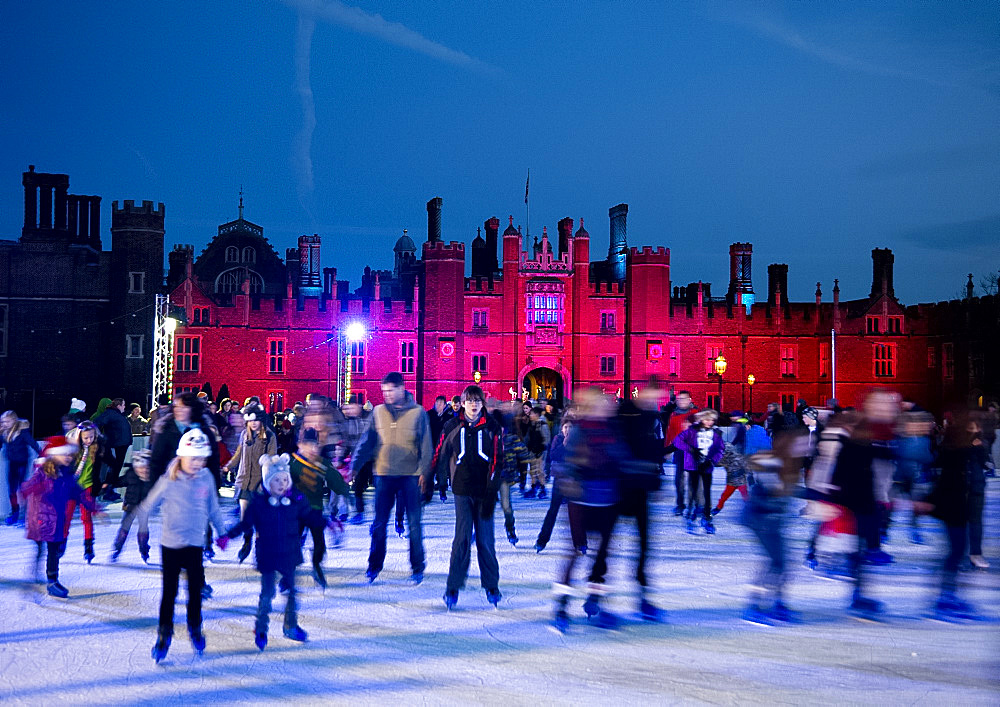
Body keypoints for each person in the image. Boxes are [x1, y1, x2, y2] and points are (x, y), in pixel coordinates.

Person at [140, 428, 229, 663]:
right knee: (169, 593)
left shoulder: (206, 478)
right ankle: (164, 633)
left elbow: (213, 507)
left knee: (195, 593)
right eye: (194, 458)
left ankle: (195, 628)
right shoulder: (169, 478)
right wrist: (141, 528)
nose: (198, 463)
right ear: (182, 456)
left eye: (202, 458)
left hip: (195, 544)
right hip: (170, 545)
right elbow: (148, 504)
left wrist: (221, 532)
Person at [223, 453, 324, 649]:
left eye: (285, 479)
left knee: (293, 593)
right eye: (276, 480)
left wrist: (328, 522)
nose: (282, 483)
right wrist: (228, 535)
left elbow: (311, 517)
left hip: (290, 555)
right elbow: (246, 524)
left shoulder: (296, 500)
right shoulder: (259, 504)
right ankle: (261, 627)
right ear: (268, 482)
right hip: (268, 556)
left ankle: (290, 626)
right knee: (267, 594)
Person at [551, 388, 629, 633]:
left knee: (602, 558)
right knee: (576, 553)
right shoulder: (579, 431)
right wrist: (571, 482)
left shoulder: (611, 430)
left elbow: (621, 458)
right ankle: (561, 606)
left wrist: (636, 471)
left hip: (607, 501)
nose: (603, 408)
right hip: (582, 502)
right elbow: (569, 462)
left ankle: (594, 600)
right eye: (599, 404)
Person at [351, 372, 433, 584]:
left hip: (410, 476)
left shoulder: (418, 412)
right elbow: (367, 442)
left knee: (414, 524)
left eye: (390, 391)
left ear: (401, 388)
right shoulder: (378, 412)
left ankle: (417, 567)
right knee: (379, 524)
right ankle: (374, 565)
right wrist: (354, 466)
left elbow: (426, 445)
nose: (386, 395)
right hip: (384, 474)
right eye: (384, 391)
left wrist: (425, 473)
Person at [432, 385, 504, 609]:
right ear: (462, 403)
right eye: (469, 401)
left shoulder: (492, 427)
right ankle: (452, 587)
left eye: (477, 401)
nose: (473, 405)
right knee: (461, 540)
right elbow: (440, 454)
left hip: (484, 492)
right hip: (462, 491)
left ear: (482, 404)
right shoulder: (452, 425)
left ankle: (491, 585)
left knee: (485, 540)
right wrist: (434, 481)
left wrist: (492, 490)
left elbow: (498, 459)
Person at [740, 427, 809, 625]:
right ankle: (755, 605)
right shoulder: (773, 461)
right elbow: (769, 487)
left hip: (772, 520)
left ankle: (776, 603)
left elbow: (791, 490)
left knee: (779, 562)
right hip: (760, 520)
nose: (805, 447)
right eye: (801, 443)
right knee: (777, 562)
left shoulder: (791, 464)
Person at [21, 436, 103, 598]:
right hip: (40, 519)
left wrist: (95, 509)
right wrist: (37, 487)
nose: (68, 457)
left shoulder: (66, 475)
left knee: (54, 551)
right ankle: (40, 574)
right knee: (42, 549)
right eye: (64, 454)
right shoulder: (42, 473)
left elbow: (80, 494)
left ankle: (52, 581)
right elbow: (26, 488)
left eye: (69, 455)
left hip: (57, 520)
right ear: (53, 455)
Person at [922, 413, 982, 618]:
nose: (977, 432)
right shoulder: (958, 453)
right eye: (973, 429)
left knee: (956, 552)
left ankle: (947, 595)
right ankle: (945, 597)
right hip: (953, 508)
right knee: (956, 552)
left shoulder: (958, 452)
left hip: (955, 507)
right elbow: (947, 481)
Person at [616, 384, 667, 621]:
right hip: (619, 490)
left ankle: (642, 595)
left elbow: (654, 453)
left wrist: (655, 482)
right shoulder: (625, 415)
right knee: (607, 546)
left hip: (639, 492)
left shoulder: (650, 420)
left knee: (644, 546)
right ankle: (598, 595)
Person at [290, 427, 351, 588]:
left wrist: (346, 492)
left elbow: (335, 479)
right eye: (307, 445)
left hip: (315, 509)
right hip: (295, 510)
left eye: (314, 445)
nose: (312, 448)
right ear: (300, 445)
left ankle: (316, 566)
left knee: (319, 543)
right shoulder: (293, 463)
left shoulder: (322, 463)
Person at [224, 405, 278, 563]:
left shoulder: (269, 436)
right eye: (250, 420)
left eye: (257, 420)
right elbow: (239, 454)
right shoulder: (244, 435)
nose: (254, 423)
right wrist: (229, 465)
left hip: (260, 483)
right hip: (243, 480)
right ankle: (246, 541)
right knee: (244, 517)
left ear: (261, 420)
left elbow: (272, 458)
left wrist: (267, 480)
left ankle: (259, 547)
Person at [535, 418, 588, 554]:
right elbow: (552, 455)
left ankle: (581, 542)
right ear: (562, 428)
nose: (568, 430)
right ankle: (542, 540)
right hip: (560, 480)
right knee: (553, 511)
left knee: (576, 512)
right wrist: (564, 444)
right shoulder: (558, 439)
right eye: (565, 427)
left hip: (574, 480)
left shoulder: (579, 441)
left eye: (570, 427)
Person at [673, 409, 724, 534]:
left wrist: (712, 461)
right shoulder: (692, 431)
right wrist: (691, 449)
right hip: (693, 466)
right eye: (707, 419)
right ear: (701, 419)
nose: (709, 422)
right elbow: (677, 441)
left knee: (707, 492)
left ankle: (706, 517)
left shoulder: (716, 433)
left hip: (707, 466)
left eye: (712, 420)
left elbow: (720, 449)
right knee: (693, 491)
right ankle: (690, 515)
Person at [65, 421, 105, 563]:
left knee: (86, 518)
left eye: (91, 437)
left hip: (87, 487)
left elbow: (109, 462)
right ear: (79, 437)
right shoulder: (73, 450)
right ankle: (61, 543)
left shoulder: (98, 449)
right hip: (71, 488)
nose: (89, 440)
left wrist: (108, 480)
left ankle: (88, 547)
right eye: (86, 438)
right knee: (66, 517)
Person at [111, 449, 154, 563]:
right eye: (140, 468)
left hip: (144, 507)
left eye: (145, 467)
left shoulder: (152, 478)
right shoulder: (131, 475)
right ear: (135, 468)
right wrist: (109, 483)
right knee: (124, 528)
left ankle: (144, 549)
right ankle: (117, 548)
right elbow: (118, 481)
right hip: (130, 505)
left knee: (143, 529)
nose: (143, 470)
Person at [1, 411, 40, 525]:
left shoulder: (22, 432)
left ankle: (26, 513)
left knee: (21, 487)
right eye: (3, 421)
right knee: (11, 489)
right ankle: (14, 512)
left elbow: (33, 444)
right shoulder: (4, 432)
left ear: (14, 420)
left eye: (7, 421)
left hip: (22, 462)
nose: (5, 423)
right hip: (12, 462)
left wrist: (42, 454)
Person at [663, 390, 698, 515]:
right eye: (679, 399)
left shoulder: (696, 413)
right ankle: (680, 504)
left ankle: (694, 504)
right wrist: (667, 448)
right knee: (679, 479)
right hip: (679, 450)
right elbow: (670, 432)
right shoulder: (674, 415)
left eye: (684, 399)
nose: (681, 401)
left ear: (690, 400)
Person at [95, 397, 132, 501]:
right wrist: (100, 436)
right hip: (116, 445)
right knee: (114, 468)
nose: (125, 407)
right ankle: (107, 490)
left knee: (116, 468)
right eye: (123, 405)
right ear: (119, 405)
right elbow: (97, 422)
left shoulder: (117, 414)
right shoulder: (110, 413)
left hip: (120, 444)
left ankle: (109, 489)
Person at [427, 395, 453, 501]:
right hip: (431, 446)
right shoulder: (429, 415)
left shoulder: (448, 417)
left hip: (443, 447)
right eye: (437, 403)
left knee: (442, 470)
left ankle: (442, 490)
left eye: (440, 403)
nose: (438, 405)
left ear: (444, 405)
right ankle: (428, 491)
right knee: (429, 469)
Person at [522, 406, 551, 499]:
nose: (530, 415)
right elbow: (528, 438)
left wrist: (541, 450)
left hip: (540, 451)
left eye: (532, 413)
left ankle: (543, 488)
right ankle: (534, 487)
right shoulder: (532, 424)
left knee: (539, 471)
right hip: (532, 451)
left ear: (537, 415)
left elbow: (546, 439)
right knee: (532, 471)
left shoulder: (542, 424)